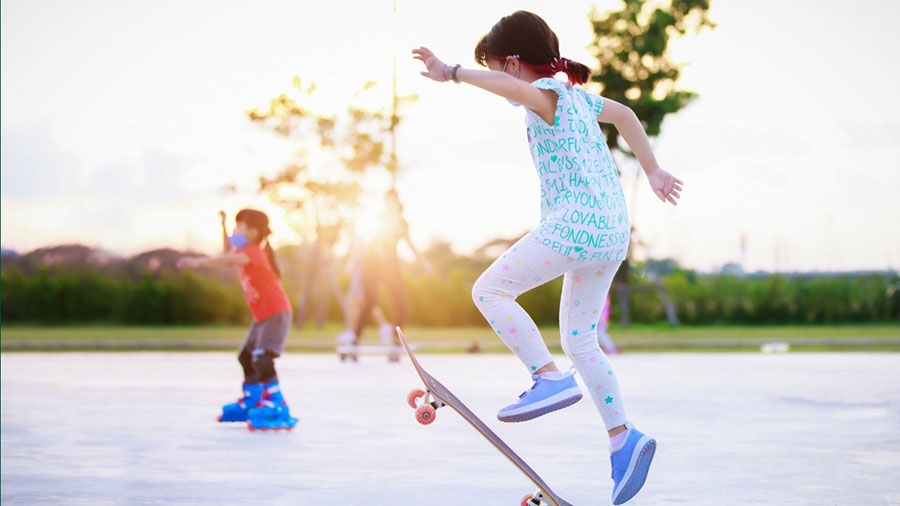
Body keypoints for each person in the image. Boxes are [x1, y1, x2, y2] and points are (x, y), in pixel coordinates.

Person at [412, 11, 683, 504]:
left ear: (512, 65)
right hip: (611, 233)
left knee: (488, 290)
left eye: (496, 68)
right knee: (581, 339)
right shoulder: (580, 99)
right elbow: (624, 116)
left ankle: (546, 378)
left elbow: (514, 91)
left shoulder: (544, 95)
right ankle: (624, 439)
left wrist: (451, 72)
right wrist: (655, 170)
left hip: (574, 228)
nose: (497, 76)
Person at [179, 209, 298, 431]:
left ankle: (276, 406)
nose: (235, 233)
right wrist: (223, 225)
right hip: (263, 316)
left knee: (262, 358)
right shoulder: (245, 250)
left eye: (238, 228)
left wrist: (198, 262)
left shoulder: (254, 252)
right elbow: (227, 253)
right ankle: (253, 400)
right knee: (246, 357)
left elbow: (226, 260)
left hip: (276, 313)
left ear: (252, 233)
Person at [345, 190, 434, 353]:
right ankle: (355, 339)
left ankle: (396, 340)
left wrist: (424, 263)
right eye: (387, 201)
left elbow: (410, 244)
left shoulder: (402, 222)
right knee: (370, 301)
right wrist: (352, 260)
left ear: (396, 202)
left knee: (400, 301)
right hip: (372, 262)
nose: (389, 204)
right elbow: (363, 239)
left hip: (391, 263)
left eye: (392, 201)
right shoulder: (378, 219)